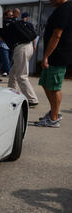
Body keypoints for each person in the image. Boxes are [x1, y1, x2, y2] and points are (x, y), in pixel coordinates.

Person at [35, 0, 72, 128]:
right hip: (54, 55)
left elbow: (57, 35)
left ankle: (54, 119)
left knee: (54, 87)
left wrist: (46, 56)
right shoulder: (62, 8)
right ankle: (54, 113)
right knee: (46, 84)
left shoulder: (65, 9)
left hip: (58, 55)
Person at [0, 9, 39, 106]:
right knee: (13, 73)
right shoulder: (12, 22)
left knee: (21, 76)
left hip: (21, 48)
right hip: (28, 47)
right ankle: (11, 93)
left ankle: (32, 99)